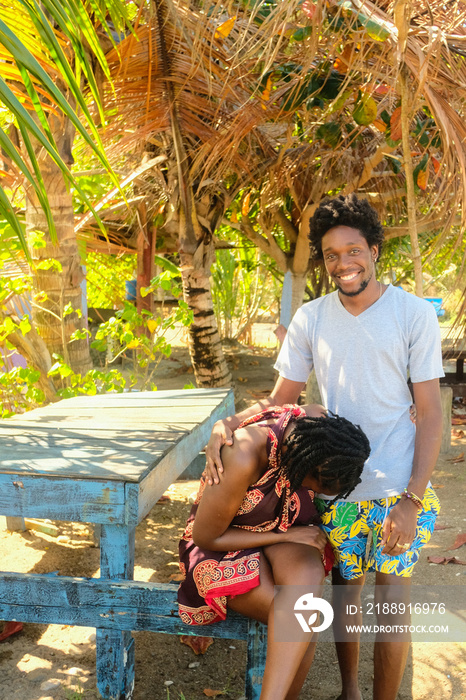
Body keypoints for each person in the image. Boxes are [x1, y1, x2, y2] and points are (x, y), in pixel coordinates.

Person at [205, 194, 443, 700]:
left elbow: (431, 414)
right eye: (332, 255)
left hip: (397, 486)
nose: (343, 264)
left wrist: (412, 498)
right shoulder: (312, 319)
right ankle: (350, 692)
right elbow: (281, 401)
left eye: (353, 250)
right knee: (346, 596)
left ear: (375, 250)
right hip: (332, 485)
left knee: (392, 602)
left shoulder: (414, 314)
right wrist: (229, 423)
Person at [178, 404, 371, 700]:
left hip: (282, 523)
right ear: (308, 467)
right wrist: (285, 534)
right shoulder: (242, 455)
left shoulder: (314, 423)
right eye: (321, 488)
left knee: (306, 597)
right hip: (223, 541)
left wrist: (225, 421)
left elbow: (272, 402)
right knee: (303, 618)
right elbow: (207, 536)